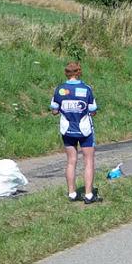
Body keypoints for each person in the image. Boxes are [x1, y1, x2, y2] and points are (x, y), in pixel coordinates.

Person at [50, 61, 99, 203]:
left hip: (67, 130)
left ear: (66, 73)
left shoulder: (60, 89)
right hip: (84, 130)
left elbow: (54, 110)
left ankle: (72, 193)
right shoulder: (86, 89)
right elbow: (93, 111)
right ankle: (89, 195)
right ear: (79, 72)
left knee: (71, 161)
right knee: (88, 161)